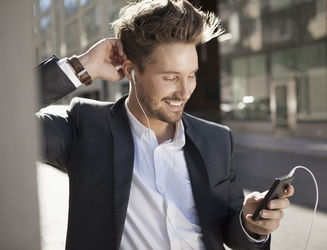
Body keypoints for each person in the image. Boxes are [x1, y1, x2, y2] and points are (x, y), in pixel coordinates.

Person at [37, 0, 294, 249]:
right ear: (130, 71)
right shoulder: (86, 127)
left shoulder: (216, 139)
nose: (185, 92)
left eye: (191, 75)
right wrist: (82, 66)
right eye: (171, 77)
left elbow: (229, 229)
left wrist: (251, 226)